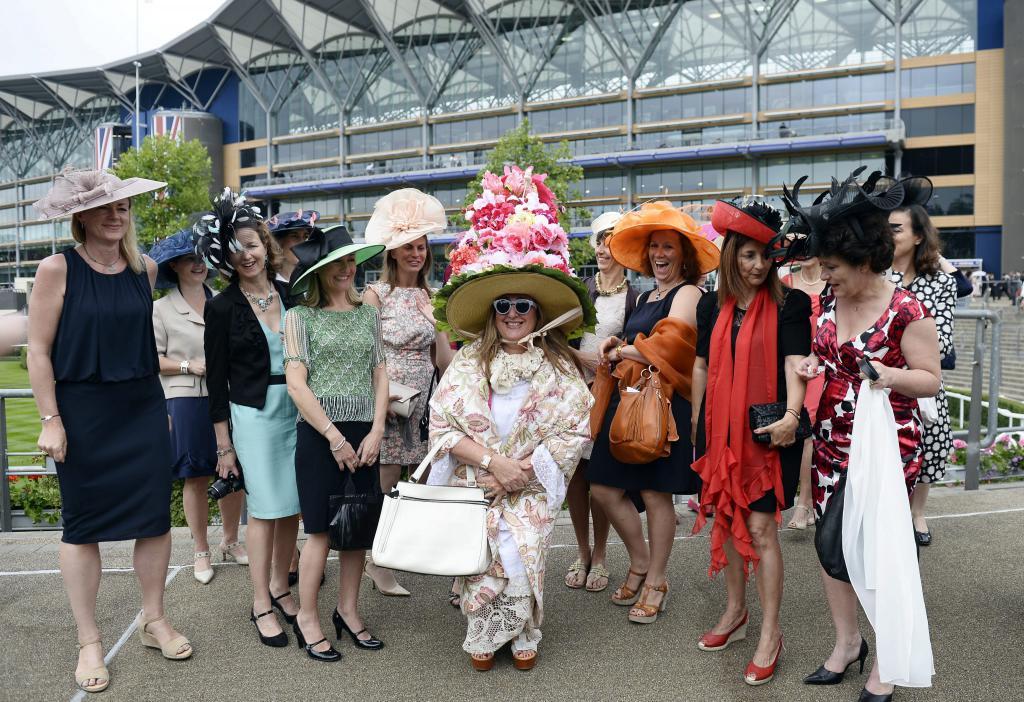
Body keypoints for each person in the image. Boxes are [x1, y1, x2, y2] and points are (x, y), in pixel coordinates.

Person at [29, 168, 192, 694]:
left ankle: (153, 620)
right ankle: (89, 640)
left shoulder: (143, 269)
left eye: (122, 207)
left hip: (142, 409)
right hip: (82, 414)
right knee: (82, 527)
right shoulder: (57, 269)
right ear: (81, 217)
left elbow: (140, 347)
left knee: (153, 520)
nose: (115, 215)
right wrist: (50, 419)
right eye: (104, 208)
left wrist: (160, 406)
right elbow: (38, 352)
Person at [429, 166, 594, 671]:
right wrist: (490, 464)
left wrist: (519, 472)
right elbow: (440, 426)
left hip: (530, 484)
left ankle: (523, 630)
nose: (514, 313)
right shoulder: (468, 360)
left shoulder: (559, 365)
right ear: (492, 311)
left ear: (538, 312)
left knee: (521, 553)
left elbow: (574, 428)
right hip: (474, 481)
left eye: (524, 305)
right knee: (483, 557)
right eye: (504, 305)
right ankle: (484, 632)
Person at [787, 170, 939, 700]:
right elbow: (827, 356)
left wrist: (889, 375)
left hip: (888, 451)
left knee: (879, 555)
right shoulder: (830, 304)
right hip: (831, 445)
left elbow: (931, 380)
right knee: (835, 550)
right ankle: (847, 642)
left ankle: (889, 660)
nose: (822, 276)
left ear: (860, 259)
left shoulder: (906, 310)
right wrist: (812, 364)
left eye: (829, 267)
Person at [690, 200, 811, 686]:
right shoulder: (710, 305)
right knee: (726, 513)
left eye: (765, 255)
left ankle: (770, 632)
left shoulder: (792, 304)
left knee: (762, 529)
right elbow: (701, 366)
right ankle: (736, 612)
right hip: (719, 433)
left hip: (767, 433)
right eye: (747, 256)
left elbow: (794, 365)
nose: (758, 265)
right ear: (731, 257)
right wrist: (699, 428)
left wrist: (791, 417)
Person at [588, 200, 721, 625]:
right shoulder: (646, 294)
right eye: (654, 248)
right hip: (629, 399)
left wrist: (621, 347)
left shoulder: (690, 293)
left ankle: (657, 579)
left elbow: (672, 345)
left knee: (655, 493)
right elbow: (643, 342)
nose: (659, 254)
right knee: (604, 487)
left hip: (667, 405)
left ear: (684, 254)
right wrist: (618, 348)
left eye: (668, 247)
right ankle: (642, 561)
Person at [198, 189, 302, 649]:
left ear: (266, 244)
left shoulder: (291, 294)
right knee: (264, 508)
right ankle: (260, 601)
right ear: (227, 257)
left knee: (293, 505)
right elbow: (215, 383)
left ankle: (281, 584)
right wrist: (225, 447)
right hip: (254, 415)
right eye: (235, 248)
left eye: (252, 244)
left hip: (298, 409)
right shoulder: (220, 307)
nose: (246, 255)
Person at [283, 225, 388, 661]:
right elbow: (295, 384)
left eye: (351, 261)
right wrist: (333, 436)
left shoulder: (369, 313)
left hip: (364, 431)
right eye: (337, 263)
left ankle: (347, 610)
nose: (347, 269)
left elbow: (380, 372)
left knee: (357, 529)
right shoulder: (299, 317)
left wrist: (378, 429)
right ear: (319, 270)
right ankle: (308, 616)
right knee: (321, 532)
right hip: (320, 433)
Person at [362, 188, 453, 597]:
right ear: (393, 252)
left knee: (426, 477)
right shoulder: (375, 294)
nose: (417, 253)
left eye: (422, 246)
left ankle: (413, 551)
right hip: (387, 394)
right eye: (408, 247)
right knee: (384, 478)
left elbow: (445, 358)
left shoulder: (433, 298)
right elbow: (363, 351)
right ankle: (376, 560)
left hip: (424, 398)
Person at [150, 230, 246, 585]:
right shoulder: (160, 308)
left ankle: (231, 541)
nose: (198, 264)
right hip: (185, 397)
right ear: (174, 265)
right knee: (196, 474)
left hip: (228, 396)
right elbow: (152, 359)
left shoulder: (224, 300)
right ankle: (201, 550)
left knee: (232, 472)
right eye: (190, 258)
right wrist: (191, 366)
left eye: (203, 257)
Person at [564, 211, 638, 593]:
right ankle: (582, 551)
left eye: (611, 240)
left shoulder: (636, 296)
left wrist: (610, 362)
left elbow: (638, 347)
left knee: (600, 476)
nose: (604, 248)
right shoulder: (579, 289)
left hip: (610, 396)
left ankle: (603, 555)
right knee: (576, 476)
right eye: (599, 240)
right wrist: (583, 360)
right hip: (574, 392)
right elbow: (557, 337)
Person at [888, 193, 956, 547]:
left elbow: (942, 339)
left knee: (929, 447)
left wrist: (897, 352)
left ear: (918, 236)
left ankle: (917, 512)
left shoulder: (941, 282)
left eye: (896, 229)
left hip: (922, 382)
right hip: (879, 385)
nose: (889, 235)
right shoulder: (874, 277)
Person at [781, 255, 826, 530]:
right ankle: (805, 502)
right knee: (800, 432)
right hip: (792, 365)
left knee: (808, 432)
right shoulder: (784, 283)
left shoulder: (832, 283)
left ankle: (804, 504)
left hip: (822, 366)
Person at [268, 209, 319, 286]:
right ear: (279, 242)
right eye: (295, 236)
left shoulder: (314, 281)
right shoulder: (268, 283)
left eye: (306, 236)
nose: (303, 243)